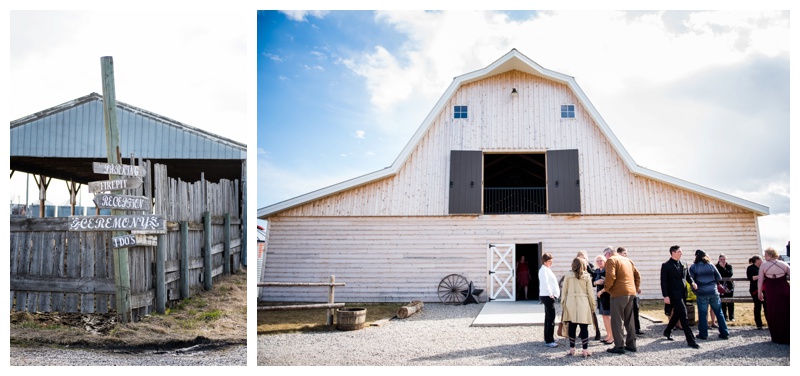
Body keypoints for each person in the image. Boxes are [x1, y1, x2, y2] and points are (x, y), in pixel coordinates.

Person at [660, 245, 700, 349]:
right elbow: (663, 282)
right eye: (679, 252)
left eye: (681, 252)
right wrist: (665, 296)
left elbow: (687, 277)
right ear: (673, 253)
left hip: (683, 293)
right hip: (673, 295)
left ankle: (667, 331)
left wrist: (692, 283)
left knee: (677, 314)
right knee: (684, 315)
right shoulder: (666, 265)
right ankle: (691, 340)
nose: (681, 253)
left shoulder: (684, 263)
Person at [603, 246, 641, 354]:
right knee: (630, 320)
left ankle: (619, 346)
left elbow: (611, 276)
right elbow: (638, 275)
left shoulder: (611, 260)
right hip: (630, 292)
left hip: (618, 293)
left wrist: (607, 289)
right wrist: (636, 288)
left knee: (617, 320)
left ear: (608, 254)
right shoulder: (628, 260)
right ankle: (631, 344)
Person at [689, 250, 730, 340]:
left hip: (702, 292)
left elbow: (691, 280)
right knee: (719, 312)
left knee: (703, 313)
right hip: (713, 291)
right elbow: (719, 277)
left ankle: (703, 334)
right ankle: (724, 332)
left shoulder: (693, 267)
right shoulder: (711, 265)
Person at [560, 257, 596, 357]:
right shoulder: (587, 276)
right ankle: (585, 350)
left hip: (570, 302)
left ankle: (572, 349)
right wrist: (593, 305)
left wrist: (563, 303)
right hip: (583, 303)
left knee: (572, 327)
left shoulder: (567, 275)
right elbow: (590, 293)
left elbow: (564, 291)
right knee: (584, 327)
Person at [758, 247, 790, 344]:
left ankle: (777, 336)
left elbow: (760, 281)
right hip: (784, 288)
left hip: (771, 290)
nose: (764, 256)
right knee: (786, 311)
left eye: (766, 254)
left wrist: (759, 292)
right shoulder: (784, 264)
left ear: (770, 254)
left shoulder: (764, 266)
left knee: (773, 311)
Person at [617, 247, 645, 335]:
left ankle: (636, 329)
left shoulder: (629, 262)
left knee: (635, 309)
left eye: (626, 253)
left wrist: (636, 287)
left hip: (631, 290)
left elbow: (637, 275)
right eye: (624, 253)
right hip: (620, 292)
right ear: (619, 253)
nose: (626, 255)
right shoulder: (616, 263)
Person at [576, 250, 601, 340]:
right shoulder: (576, 267)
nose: (582, 258)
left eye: (584, 257)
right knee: (580, 312)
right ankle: (581, 331)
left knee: (592, 312)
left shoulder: (590, 266)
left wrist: (586, 265)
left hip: (588, 291)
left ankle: (597, 331)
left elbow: (594, 275)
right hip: (579, 292)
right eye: (580, 257)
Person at [539, 253, 560, 348]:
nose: (551, 263)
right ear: (544, 261)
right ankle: (549, 340)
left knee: (548, 317)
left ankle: (548, 337)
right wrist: (550, 293)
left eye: (551, 261)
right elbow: (545, 283)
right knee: (551, 317)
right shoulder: (543, 270)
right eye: (549, 261)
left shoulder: (547, 269)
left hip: (548, 295)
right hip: (548, 296)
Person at [593, 253, 613, 344]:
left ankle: (612, 336)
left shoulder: (607, 271)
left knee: (608, 316)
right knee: (604, 316)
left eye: (601, 260)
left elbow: (610, 283)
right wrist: (596, 282)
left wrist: (602, 291)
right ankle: (608, 334)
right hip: (600, 297)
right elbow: (592, 282)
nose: (600, 262)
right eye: (598, 261)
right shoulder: (596, 271)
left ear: (605, 261)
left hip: (607, 296)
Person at [746, 255, 765, 330]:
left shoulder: (762, 267)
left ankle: (769, 322)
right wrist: (760, 276)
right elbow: (751, 278)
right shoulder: (750, 268)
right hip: (755, 289)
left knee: (766, 306)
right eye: (761, 259)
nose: (762, 260)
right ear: (757, 260)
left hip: (764, 288)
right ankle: (759, 324)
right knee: (757, 306)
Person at [715, 254, 735, 322]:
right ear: (719, 260)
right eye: (721, 259)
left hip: (729, 286)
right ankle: (724, 316)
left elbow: (729, 274)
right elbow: (718, 275)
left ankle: (731, 317)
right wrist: (721, 268)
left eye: (724, 259)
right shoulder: (716, 267)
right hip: (720, 286)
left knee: (730, 301)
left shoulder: (729, 266)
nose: (723, 261)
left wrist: (723, 268)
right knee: (722, 301)